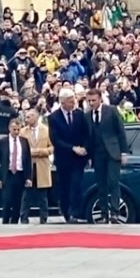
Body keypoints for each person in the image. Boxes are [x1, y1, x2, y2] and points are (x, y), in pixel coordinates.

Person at [86, 88, 129, 224]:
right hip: (97, 154)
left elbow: (121, 132)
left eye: (93, 100)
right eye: (89, 101)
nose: (91, 103)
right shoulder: (87, 116)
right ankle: (104, 213)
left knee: (113, 182)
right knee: (101, 184)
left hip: (112, 152)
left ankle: (115, 213)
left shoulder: (111, 110)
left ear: (100, 99)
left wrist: (123, 152)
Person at [48, 87, 89, 223]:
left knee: (76, 185)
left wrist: (84, 148)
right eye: (70, 102)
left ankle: (75, 213)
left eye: (74, 101)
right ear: (63, 102)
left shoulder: (79, 114)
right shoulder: (54, 117)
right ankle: (66, 212)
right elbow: (55, 139)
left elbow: (86, 134)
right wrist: (72, 148)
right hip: (63, 158)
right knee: (65, 187)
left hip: (78, 159)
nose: (73, 104)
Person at [0, 118, 32, 224]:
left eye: (18, 130)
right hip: (8, 174)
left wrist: (29, 177)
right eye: (14, 129)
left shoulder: (24, 141)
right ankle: (5, 222)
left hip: (20, 174)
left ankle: (14, 222)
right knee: (7, 201)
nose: (16, 132)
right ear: (9, 128)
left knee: (17, 201)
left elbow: (28, 160)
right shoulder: (3, 142)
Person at [20, 108, 53, 224]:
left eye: (29, 117)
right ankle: (24, 217)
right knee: (26, 194)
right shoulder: (23, 131)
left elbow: (51, 147)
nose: (26, 119)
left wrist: (39, 151)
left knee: (42, 195)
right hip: (28, 166)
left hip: (42, 165)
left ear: (35, 117)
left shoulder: (46, 130)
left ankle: (44, 218)